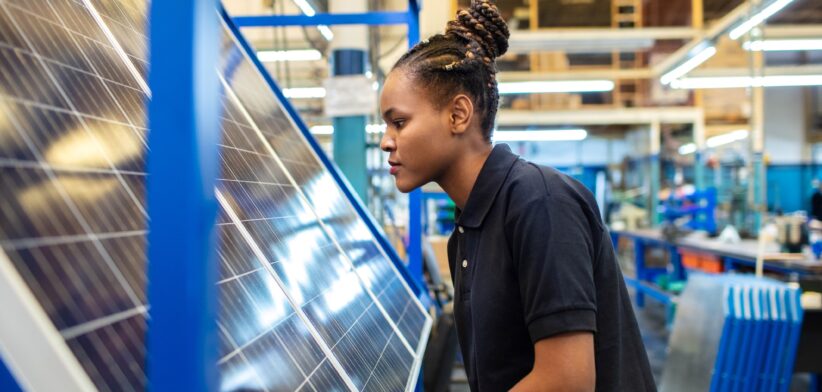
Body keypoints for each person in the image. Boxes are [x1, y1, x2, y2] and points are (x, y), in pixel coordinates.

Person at [378, 1, 655, 390]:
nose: (385, 141)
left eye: (399, 122)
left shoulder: (540, 202)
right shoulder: (471, 227)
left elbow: (567, 380)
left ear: (458, 115)